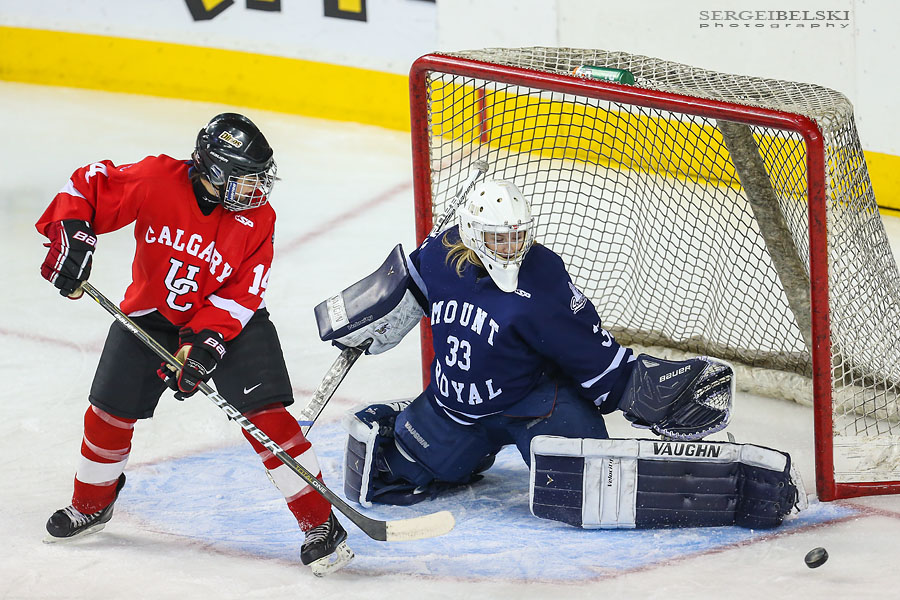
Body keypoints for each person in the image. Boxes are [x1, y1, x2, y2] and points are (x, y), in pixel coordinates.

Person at [322, 176, 801, 530]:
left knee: (592, 488)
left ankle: (729, 488)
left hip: (537, 406)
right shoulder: (442, 254)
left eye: (517, 235)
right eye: (497, 238)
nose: (510, 247)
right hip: (456, 408)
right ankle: (430, 434)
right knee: (388, 476)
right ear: (470, 233)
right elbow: (407, 288)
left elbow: (590, 355)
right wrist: (375, 316)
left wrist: (640, 390)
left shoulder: (543, 277)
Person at [36, 113, 353, 576]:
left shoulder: (258, 218)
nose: (257, 191)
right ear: (215, 171)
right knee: (107, 413)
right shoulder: (155, 179)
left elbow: (244, 291)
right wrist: (72, 236)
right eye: (246, 180)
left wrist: (204, 345)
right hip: (152, 315)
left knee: (268, 419)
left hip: (229, 325)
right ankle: (91, 503)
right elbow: (87, 186)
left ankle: (320, 524)